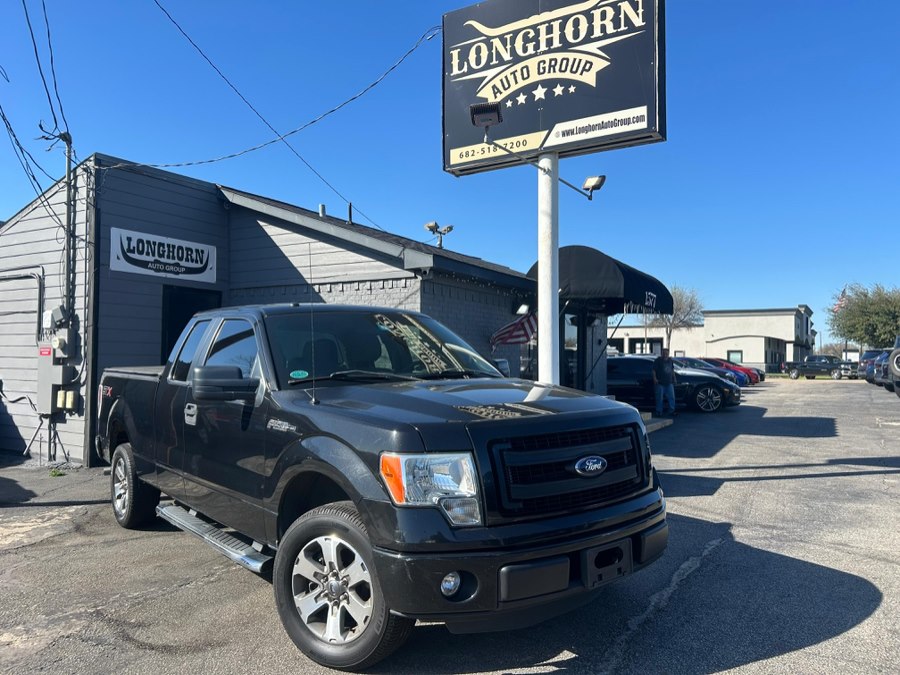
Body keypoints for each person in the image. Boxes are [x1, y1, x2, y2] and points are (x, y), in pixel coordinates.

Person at [652, 348, 677, 417]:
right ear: (661, 353)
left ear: (668, 354)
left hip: (669, 382)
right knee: (659, 398)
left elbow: (672, 370)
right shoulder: (658, 361)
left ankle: (671, 411)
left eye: (666, 353)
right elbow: (654, 370)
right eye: (664, 353)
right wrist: (655, 378)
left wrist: (674, 378)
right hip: (660, 383)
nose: (665, 355)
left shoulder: (670, 361)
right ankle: (659, 411)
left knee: (671, 397)